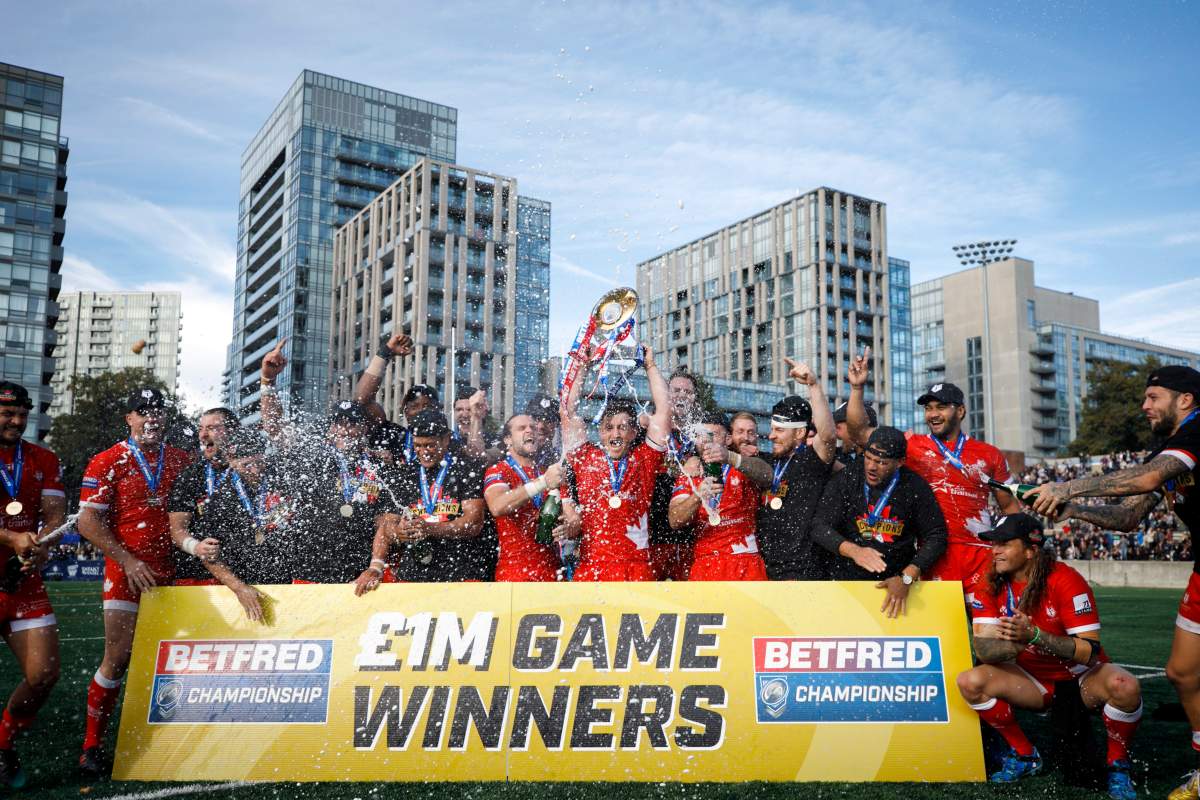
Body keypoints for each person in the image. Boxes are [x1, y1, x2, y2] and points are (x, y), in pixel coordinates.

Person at [1025, 365, 1200, 800]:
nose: (1144, 406)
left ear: (1185, 400)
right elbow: (1128, 517)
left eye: (1153, 397)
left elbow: (1146, 478)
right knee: (1182, 673)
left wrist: (1069, 488)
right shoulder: (1171, 447)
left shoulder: (1199, 432)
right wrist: (1074, 513)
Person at [956, 514, 1140, 798]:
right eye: (994, 543)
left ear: (1031, 550)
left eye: (1005, 543)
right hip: (1033, 678)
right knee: (970, 681)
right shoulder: (989, 582)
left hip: (1081, 680)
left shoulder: (1065, 579)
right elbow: (984, 649)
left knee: (1125, 686)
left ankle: (1118, 764)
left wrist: (1035, 637)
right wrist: (1016, 646)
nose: (995, 551)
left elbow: (1089, 653)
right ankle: (1026, 755)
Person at [76, 387, 192, 776]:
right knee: (119, 657)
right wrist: (127, 560)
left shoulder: (180, 459)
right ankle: (92, 745)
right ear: (129, 418)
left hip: (172, 572)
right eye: (142, 412)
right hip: (126, 572)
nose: (151, 419)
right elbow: (87, 521)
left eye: (157, 412)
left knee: (175, 660)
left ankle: (169, 737)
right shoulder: (107, 460)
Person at [845, 347, 1021, 593]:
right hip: (931, 555)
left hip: (980, 557)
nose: (933, 414)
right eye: (928, 408)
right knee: (942, 630)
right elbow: (860, 434)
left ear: (960, 411)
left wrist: (1015, 552)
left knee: (988, 631)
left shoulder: (989, 454)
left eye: (941, 407)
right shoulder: (911, 445)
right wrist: (857, 389)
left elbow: (1010, 508)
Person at [560, 344, 672, 582]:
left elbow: (663, 412)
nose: (616, 434)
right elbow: (568, 411)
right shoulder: (585, 458)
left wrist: (650, 366)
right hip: (593, 568)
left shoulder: (644, 459)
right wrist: (583, 367)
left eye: (623, 427)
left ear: (633, 433)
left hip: (637, 569)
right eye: (609, 428)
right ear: (600, 432)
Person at [0, 382, 66, 788]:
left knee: (44, 674)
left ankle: (3, 745)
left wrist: (42, 544)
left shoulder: (43, 457)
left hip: (22, 583)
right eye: (8, 413)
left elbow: (56, 514)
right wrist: (11, 538)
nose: (17, 421)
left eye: (23, 414)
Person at [810, 427, 948, 617]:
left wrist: (907, 577)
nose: (871, 467)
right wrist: (854, 551)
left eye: (881, 462)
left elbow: (937, 535)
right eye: (868, 458)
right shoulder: (848, 479)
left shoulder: (914, 486)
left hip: (896, 588)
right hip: (847, 585)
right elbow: (819, 527)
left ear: (900, 462)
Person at [355, 410, 488, 589]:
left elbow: (473, 524)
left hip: (460, 574)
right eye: (418, 445)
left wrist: (430, 529)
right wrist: (377, 565)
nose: (423, 452)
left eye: (430, 445)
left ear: (447, 439)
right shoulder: (403, 474)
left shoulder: (466, 469)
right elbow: (386, 526)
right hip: (412, 577)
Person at [183, 430, 283, 622]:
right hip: (245, 588)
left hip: (289, 584)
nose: (255, 471)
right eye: (247, 465)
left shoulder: (283, 479)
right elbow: (209, 554)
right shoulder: (220, 499)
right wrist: (238, 587)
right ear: (233, 462)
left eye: (259, 462)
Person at [756, 359, 838, 581]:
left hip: (803, 572)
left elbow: (829, 437)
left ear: (800, 433)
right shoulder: (769, 461)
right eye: (772, 429)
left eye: (779, 430)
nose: (771, 436)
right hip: (766, 569)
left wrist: (813, 385)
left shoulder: (813, 461)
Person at [668, 411, 767, 580]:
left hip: (745, 561)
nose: (706, 441)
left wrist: (731, 458)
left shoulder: (742, 463)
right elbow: (674, 521)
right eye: (701, 436)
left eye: (712, 435)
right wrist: (697, 496)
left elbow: (767, 476)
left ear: (727, 439)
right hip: (706, 563)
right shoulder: (690, 474)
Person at [482, 414, 581, 581]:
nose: (530, 431)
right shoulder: (498, 470)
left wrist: (567, 526)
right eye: (522, 428)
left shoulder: (550, 472)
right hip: (515, 573)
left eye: (533, 428)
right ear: (508, 439)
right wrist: (542, 482)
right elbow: (497, 506)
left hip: (553, 572)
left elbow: (574, 520)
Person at [167, 407, 238, 586]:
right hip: (196, 577)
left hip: (241, 572)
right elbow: (177, 531)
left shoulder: (247, 471)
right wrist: (196, 547)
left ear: (233, 432)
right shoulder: (190, 476)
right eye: (201, 428)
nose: (203, 435)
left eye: (212, 428)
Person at [453, 387, 505, 465]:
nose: (464, 415)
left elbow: (477, 457)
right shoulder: (448, 440)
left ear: (483, 412)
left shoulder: (497, 441)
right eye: (459, 409)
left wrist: (476, 417)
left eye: (470, 409)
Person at [831, 400, 876, 471]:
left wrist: (833, 465)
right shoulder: (845, 455)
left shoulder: (881, 457)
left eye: (838, 427)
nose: (836, 434)